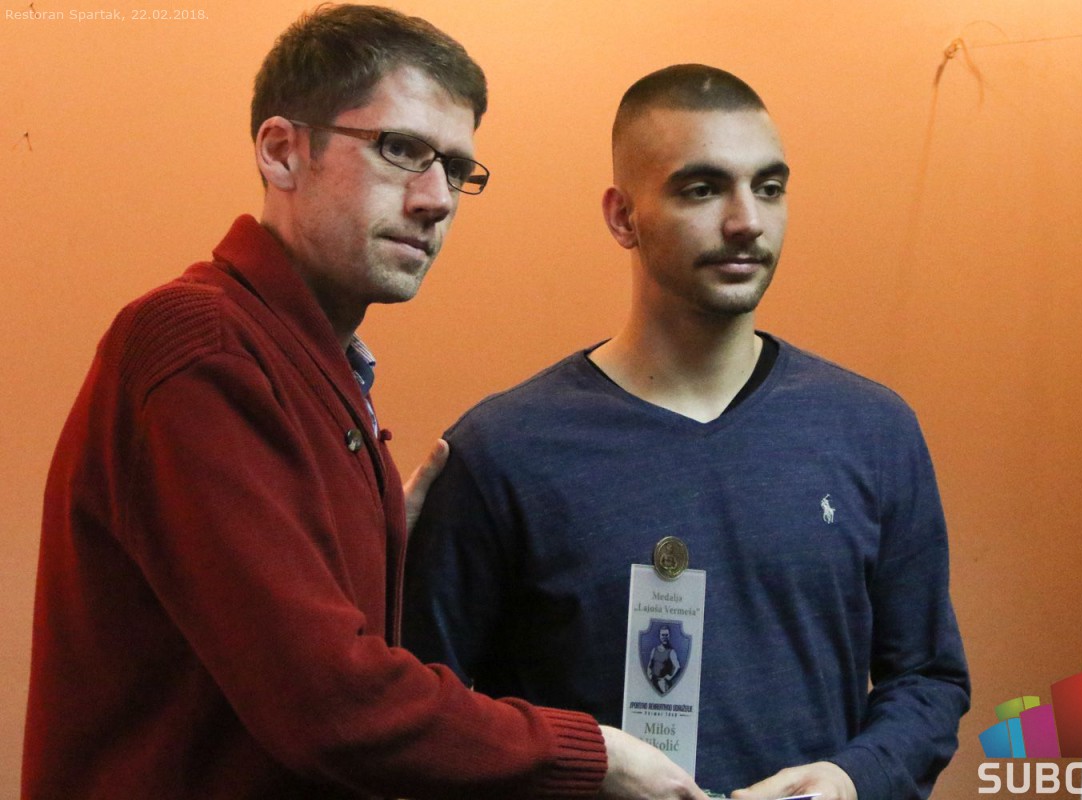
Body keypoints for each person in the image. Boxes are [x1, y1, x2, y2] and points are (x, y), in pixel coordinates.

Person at [21, 7, 708, 800]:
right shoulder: (205, 345)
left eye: (456, 168)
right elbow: (330, 707)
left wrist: (380, 540)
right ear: (282, 151)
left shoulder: (317, 369)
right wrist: (594, 754)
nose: (437, 198)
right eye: (401, 150)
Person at [403, 64, 971, 800]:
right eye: (702, 189)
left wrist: (848, 780)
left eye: (769, 187)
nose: (747, 221)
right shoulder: (501, 453)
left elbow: (928, 680)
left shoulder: (873, 430)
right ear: (622, 217)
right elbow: (428, 719)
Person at [647, 626, 681, 694]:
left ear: (669, 636)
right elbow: (650, 665)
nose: (664, 637)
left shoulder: (671, 651)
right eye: (663, 635)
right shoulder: (654, 650)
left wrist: (669, 677)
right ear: (660, 636)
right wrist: (649, 676)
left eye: (666, 635)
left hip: (663, 684)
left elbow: (677, 667)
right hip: (653, 682)